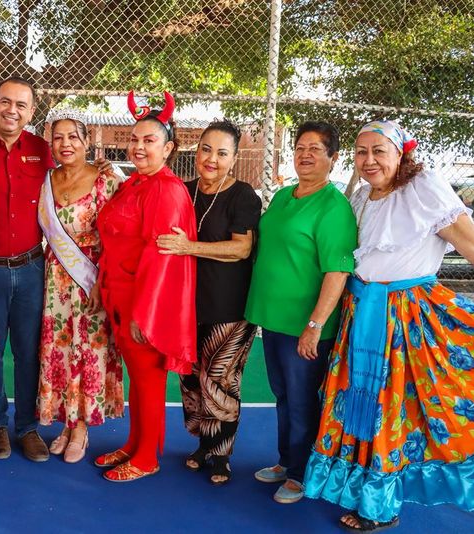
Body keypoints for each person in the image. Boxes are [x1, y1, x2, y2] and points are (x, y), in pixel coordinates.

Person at [304, 120, 474, 531]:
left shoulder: (423, 189)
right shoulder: (361, 197)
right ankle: (362, 490)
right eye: (362, 152)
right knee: (360, 404)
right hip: (360, 314)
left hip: (404, 319)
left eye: (379, 150)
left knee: (391, 408)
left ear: (401, 154)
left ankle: (380, 506)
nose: (370, 160)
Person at [245, 121, 358, 503]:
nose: (305, 154)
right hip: (274, 321)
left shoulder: (334, 207)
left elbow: (337, 270)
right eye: (300, 147)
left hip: (304, 326)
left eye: (316, 148)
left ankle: (301, 473)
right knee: (282, 394)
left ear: (333, 158)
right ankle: (286, 460)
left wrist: (315, 324)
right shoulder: (282, 197)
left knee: (302, 399)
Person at [95, 91, 197, 482]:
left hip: (142, 303)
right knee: (138, 380)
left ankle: (147, 458)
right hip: (120, 296)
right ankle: (137, 444)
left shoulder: (164, 189)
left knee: (149, 381)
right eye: (134, 139)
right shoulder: (137, 182)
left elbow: (161, 257)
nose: (139, 147)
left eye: (149, 140)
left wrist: (144, 314)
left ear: (168, 147)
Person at [156, 120, 262, 485]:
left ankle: (221, 455)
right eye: (206, 149)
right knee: (191, 380)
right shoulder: (183, 192)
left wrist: (190, 247)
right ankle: (204, 444)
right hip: (187, 309)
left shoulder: (243, 195)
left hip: (230, 309)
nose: (211, 159)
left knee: (219, 379)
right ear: (195, 151)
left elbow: (241, 247)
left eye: (221, 153)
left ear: (234, 158)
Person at [0, 77, 54, 462]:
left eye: (21, 105)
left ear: (31, 112)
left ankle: (27, 426)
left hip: (32, 268)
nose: (12, 110)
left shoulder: (42, 150)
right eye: (5, 102)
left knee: (28, 351)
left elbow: (72, 178)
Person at [36, 111, 124, 464]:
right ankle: (66, 422)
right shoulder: (44, 182)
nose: (66, 144)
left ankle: (82, 428)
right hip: (55, 278)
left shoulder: (106, 181)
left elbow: (118, 235)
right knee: (59, 348)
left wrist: (104, 280)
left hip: (92, 277)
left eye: (73, 137)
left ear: (87, 142)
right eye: (58, 137)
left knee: (89, 350)